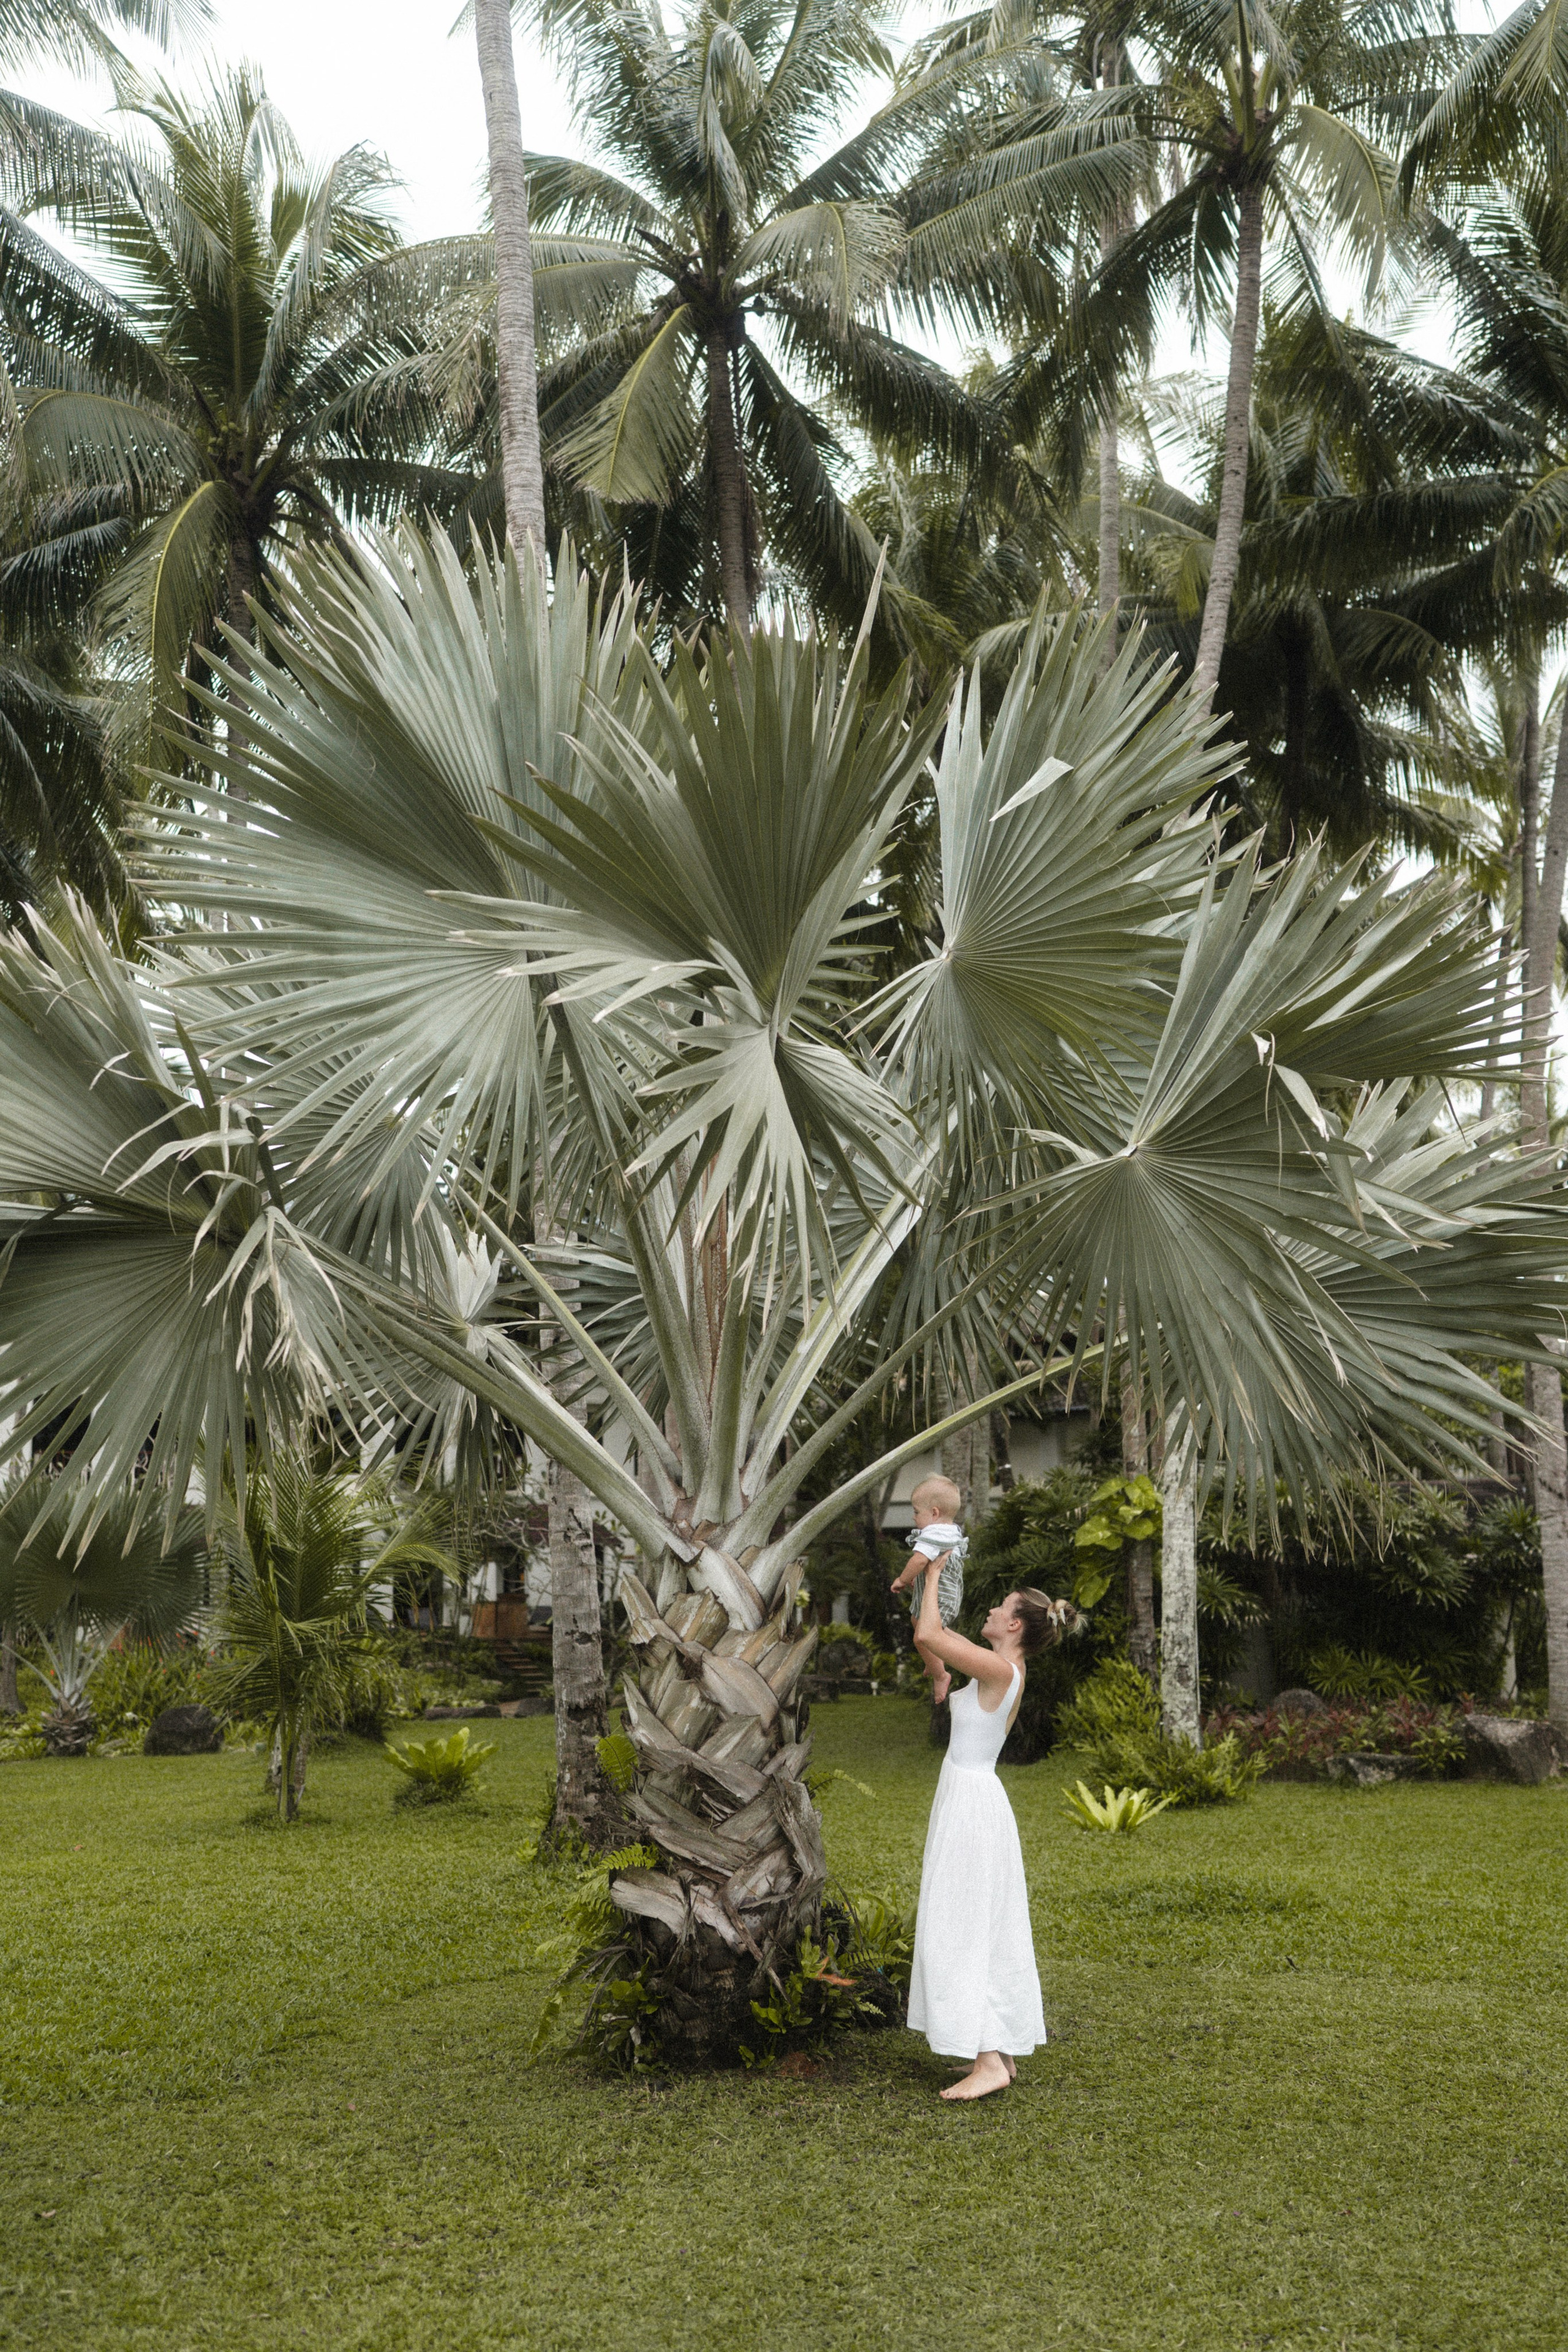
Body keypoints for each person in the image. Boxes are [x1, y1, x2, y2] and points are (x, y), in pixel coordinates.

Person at [907, 1574, 1078, 2101]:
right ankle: (998, 2050)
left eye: (1000, 1606)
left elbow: (933, 1632)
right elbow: (925, 1637)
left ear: (1014, 1625)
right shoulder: (1000, 1669)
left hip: (973, 1806)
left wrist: (935, 1569)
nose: (990, 1610)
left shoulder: (1001, 1668)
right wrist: (937, 1671)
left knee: (963, 1922)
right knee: (977, 1920)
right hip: (969, 1797)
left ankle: (988, 2062)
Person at [887, 1473, 967, 1703]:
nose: (913, 1518)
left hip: (942, 1597)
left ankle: (941, 1675)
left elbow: (920, 1560)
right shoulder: (949, 1530)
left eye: (916, 1512)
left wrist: (902, 1579)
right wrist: (919, 1579)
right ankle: (934, 1662)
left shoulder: (935, 1532)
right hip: (938, 1591)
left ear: (934, 1513)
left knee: (922, 1637)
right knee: (916, 1621)